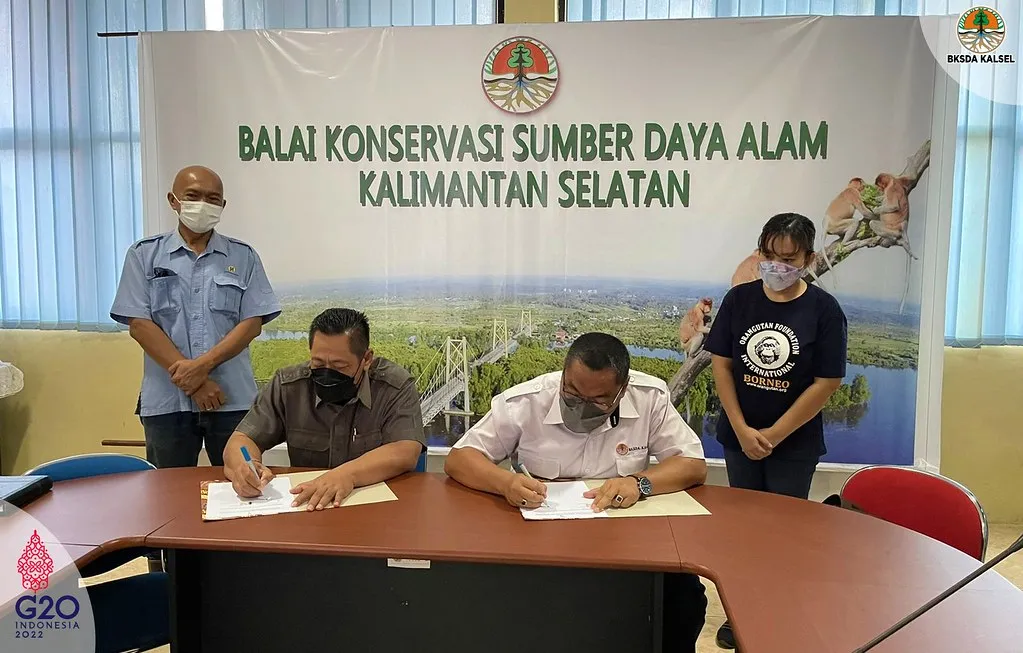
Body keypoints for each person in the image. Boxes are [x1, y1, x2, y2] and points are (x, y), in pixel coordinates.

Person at [445, 332, 708, 652]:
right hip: (541, 540)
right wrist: (505, 483)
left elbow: (692, 465)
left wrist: (639, 482)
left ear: (623, 389)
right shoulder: (526, 402)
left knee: (684, 599)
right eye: (572, 393)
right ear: (563, 375)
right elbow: (460, 459)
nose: (582, 407)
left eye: (598, 401)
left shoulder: (649, 397)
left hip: (624, 539)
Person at [704, 212, 848, 650]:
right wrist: (741, 428)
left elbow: (827, 381)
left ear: (808, 259)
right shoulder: (740, 300)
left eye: (788, 259)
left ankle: (777, 614)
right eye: (770, 256)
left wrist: (776, 434)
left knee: (782, 534)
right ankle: (740, 614)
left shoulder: (824, 310)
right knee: (743, 531)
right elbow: (722, 364)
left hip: (794, 444)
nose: (777, 266)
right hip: (739, 438)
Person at [111, 165, 281, 468]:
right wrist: (196, 383)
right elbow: (139, 324)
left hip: (231, 399)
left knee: (242, 482)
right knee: (167, 489)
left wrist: (201, 367)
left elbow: (252, 324)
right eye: (193, 196)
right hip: (167, 403)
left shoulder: (243, 256)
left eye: (212, 199)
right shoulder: (144, 255)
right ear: (173, 200)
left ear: (223, 205)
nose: (203, 204)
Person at [223, 308, 425, 510]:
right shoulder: (288, 386)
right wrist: (245, 468)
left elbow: (406, 450)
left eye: (339, 366)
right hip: (308, 508)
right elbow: (241, 440)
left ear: (366, 359)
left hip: (377, 509)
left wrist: (346, 475)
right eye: (318, 363)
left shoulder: (394, 387)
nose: (327, 374)